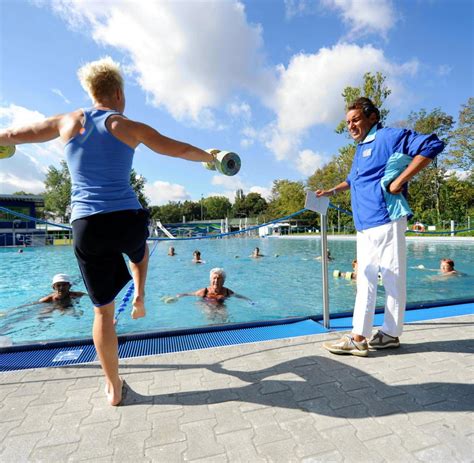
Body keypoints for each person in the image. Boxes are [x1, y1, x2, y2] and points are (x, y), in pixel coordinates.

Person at [0, 57, 216, 405]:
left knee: (103, 312)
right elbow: (179, 149)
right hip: (126, 218)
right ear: (118, 92)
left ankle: (113, 387)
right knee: (141, 251)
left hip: (87, 225)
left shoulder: (67, 121)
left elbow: (12, 136)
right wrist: (212, 157)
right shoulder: (125, 124)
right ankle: (141, 295)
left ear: (91, 91)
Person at [317, 97, 444, 357]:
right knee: (365, 280)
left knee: (392, 279)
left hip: (386, 218)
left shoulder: (388, 137)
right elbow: (354, 179)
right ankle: (362, 337)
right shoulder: (360, 148)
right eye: (348, 122)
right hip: (364, 225)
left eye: (355, 120)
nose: (351, 126)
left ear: (372, 118)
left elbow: (432, 144)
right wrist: (331, 190)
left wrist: (400, 181)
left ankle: (386, 334)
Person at [165, 268, 251, 304]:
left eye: (219, 279)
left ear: (223, 281)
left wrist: (250, 302)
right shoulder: (204, 291)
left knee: (225, 317)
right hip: (206, 305)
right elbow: (189, 294)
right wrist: (176, 297)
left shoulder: (227, 292)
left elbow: (238, 296)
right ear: (210, 280)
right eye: (214, 278)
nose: (216, 281)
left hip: (221, 307)